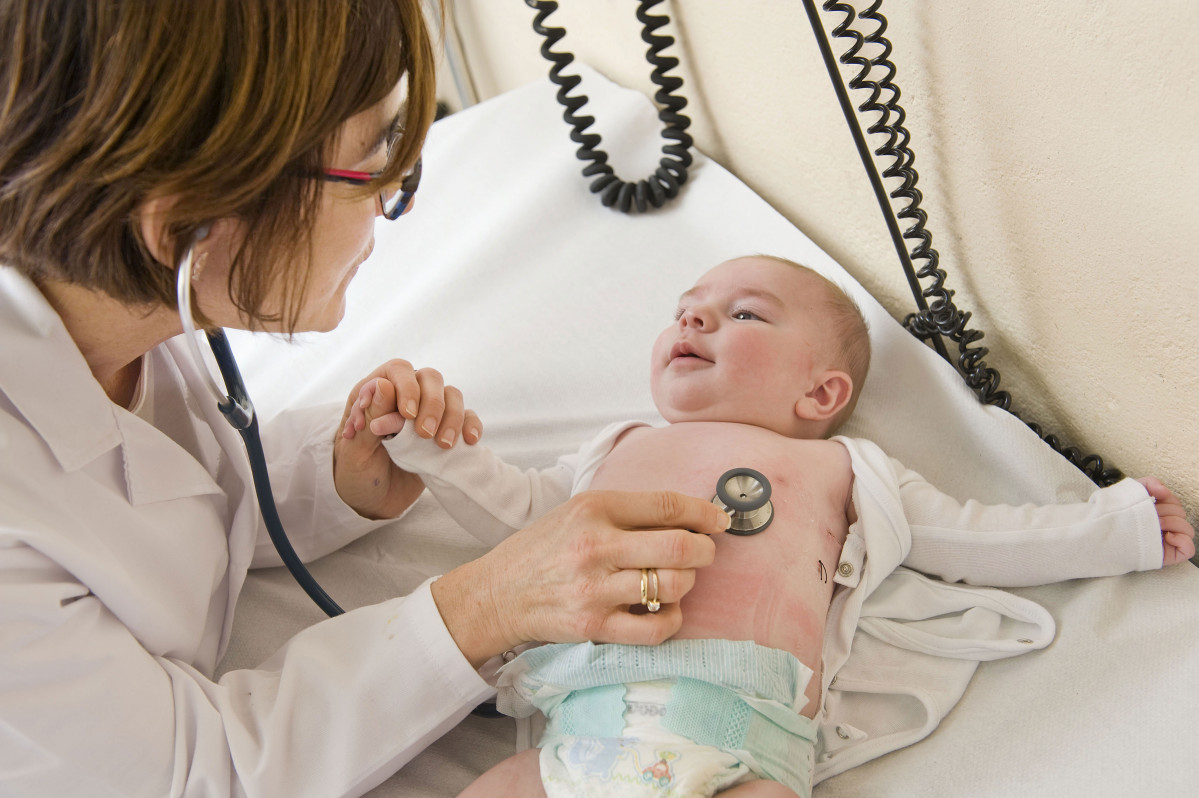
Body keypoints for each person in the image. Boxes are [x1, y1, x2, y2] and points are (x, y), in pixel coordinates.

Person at [0, 3, 732, 795]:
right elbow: (198, 773)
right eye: (370, 163)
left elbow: (166, 497)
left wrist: (333, 479)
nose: (389, 204)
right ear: (187, 226)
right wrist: (483, 606)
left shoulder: (107, 312)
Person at [365, 254, 1195, 797]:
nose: (693, 322)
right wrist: (427, 447)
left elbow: (974, 537)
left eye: (743, 316)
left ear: (820, 393)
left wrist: (1112, 529)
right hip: (577, 733)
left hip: (742, 742)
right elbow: (517, 519)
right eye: (685, 309)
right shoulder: (614, 450)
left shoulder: (840, 469)